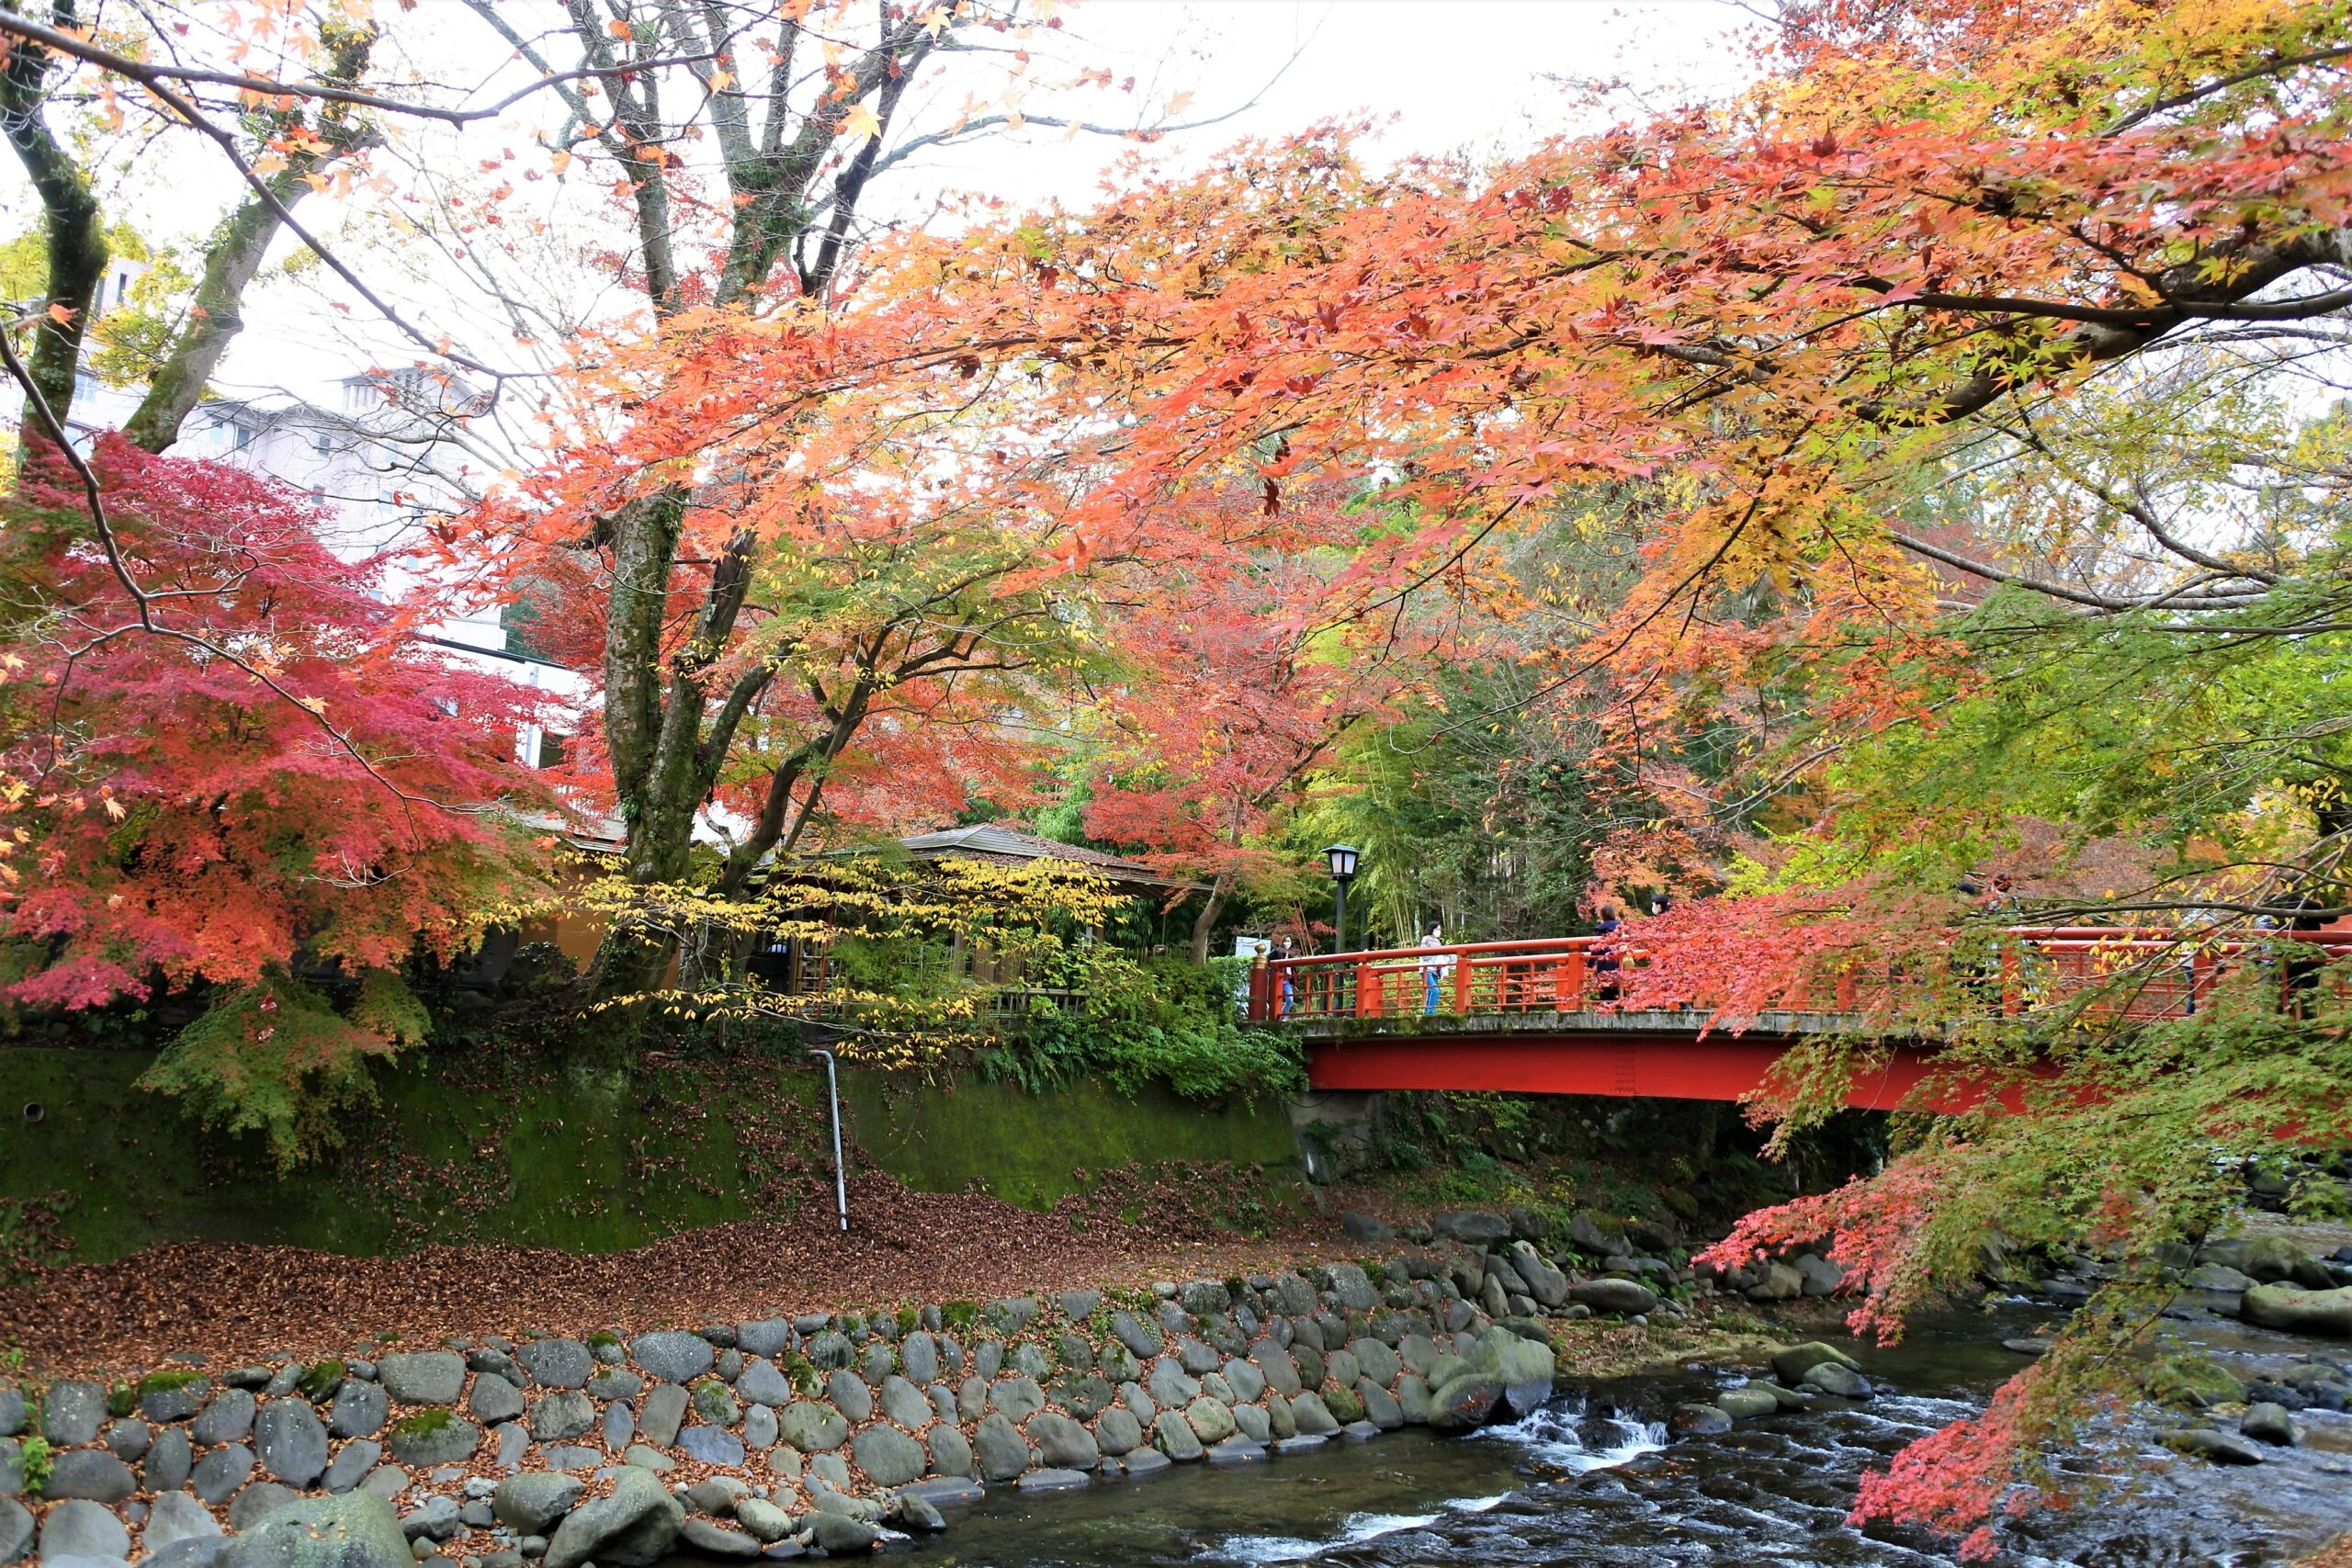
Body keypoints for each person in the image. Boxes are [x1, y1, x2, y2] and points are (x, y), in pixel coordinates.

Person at [1419, 923, 1450, 1013]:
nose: (1439, 931)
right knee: (1435, 990)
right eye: (1437, 929)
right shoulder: (1426, 939)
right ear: (1432, 929)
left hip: (1435, 970)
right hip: (1426, 969)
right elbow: (1424, 955)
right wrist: (1435, 952)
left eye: (1440, 930)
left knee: (1431, 992)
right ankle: (1431, 1012)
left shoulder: (1438, 942)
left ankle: (1427, 1012)